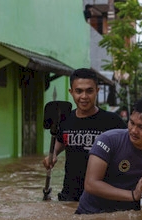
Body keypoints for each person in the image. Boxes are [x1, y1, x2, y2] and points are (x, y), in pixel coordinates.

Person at [42, 68, 127, 201]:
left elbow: (130, 148)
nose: (84, 96)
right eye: (79, 91)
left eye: (89, 91)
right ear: (71, 92)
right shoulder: (65, 119)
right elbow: (61, 140)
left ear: (97, 91)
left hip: (101, 198)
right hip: (69, 197)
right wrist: (52, 155)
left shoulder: (112, 121)